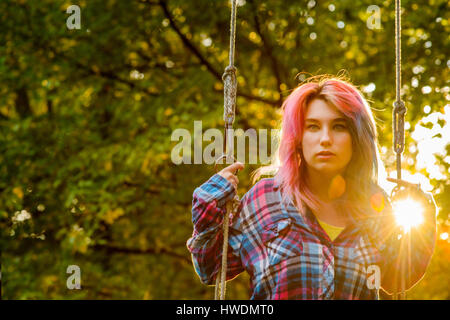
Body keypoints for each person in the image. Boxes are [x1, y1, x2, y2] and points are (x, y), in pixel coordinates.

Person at [187, 76, 437, 300]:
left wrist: (424, 215)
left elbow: (398, 279)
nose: (325, 138)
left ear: (357, 137)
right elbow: (210, 268)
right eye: (313, 127)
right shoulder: (265, 199)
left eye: (339, 126)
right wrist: (208, 202)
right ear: (298, 137)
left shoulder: (376, 205)